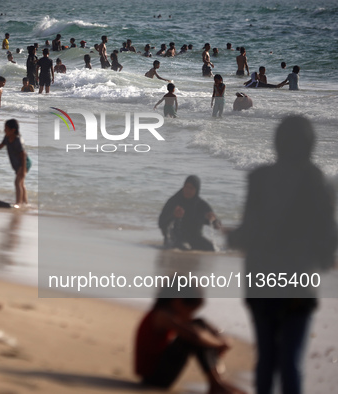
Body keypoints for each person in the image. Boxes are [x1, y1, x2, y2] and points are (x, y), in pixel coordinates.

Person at [227, 116, 337, 394]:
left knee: (266, 358)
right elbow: (328, 240)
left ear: (277, 142)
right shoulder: (319, 183)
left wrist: (231, 237)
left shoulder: (259, 177)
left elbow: (248, 232)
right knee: (291, 361)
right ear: (310, 144)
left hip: (260, 281)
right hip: (299, 284)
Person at [135, 286, 245, 393]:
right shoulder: (161, 315)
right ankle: (215, 384)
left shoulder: (166, 313)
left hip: (158, 374)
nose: (190, 315)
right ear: (177, 302)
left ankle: (218, 382)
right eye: (190, 310)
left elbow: (200, 323)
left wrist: (221, 338)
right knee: (191, 337)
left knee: (199, 324)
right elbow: (195, 336)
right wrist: (218, 344)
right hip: (154, 379)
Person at [158, 175, 221, 251]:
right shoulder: (174, 201)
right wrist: (173, 215)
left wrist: (214, 220)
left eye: (191, 188)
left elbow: (216, 224)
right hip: (175, 237)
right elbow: (161, 222)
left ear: (197, 190)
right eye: (186, 187)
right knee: (184, 247)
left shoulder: (201, 205)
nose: (187, 190)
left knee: (212, 249)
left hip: (194, 238)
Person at [0, 119, 30, 206]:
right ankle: (25, 203)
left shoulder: (18, 140)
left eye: (6, 128)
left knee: (17, 182)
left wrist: (23, 169)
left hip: (24, 163)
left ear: (13, 130)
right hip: (18, 164)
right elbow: (1, 145)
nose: (4, 130)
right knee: (21, 183)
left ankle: (18, 203)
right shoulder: (7, 137)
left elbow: (23, 155)